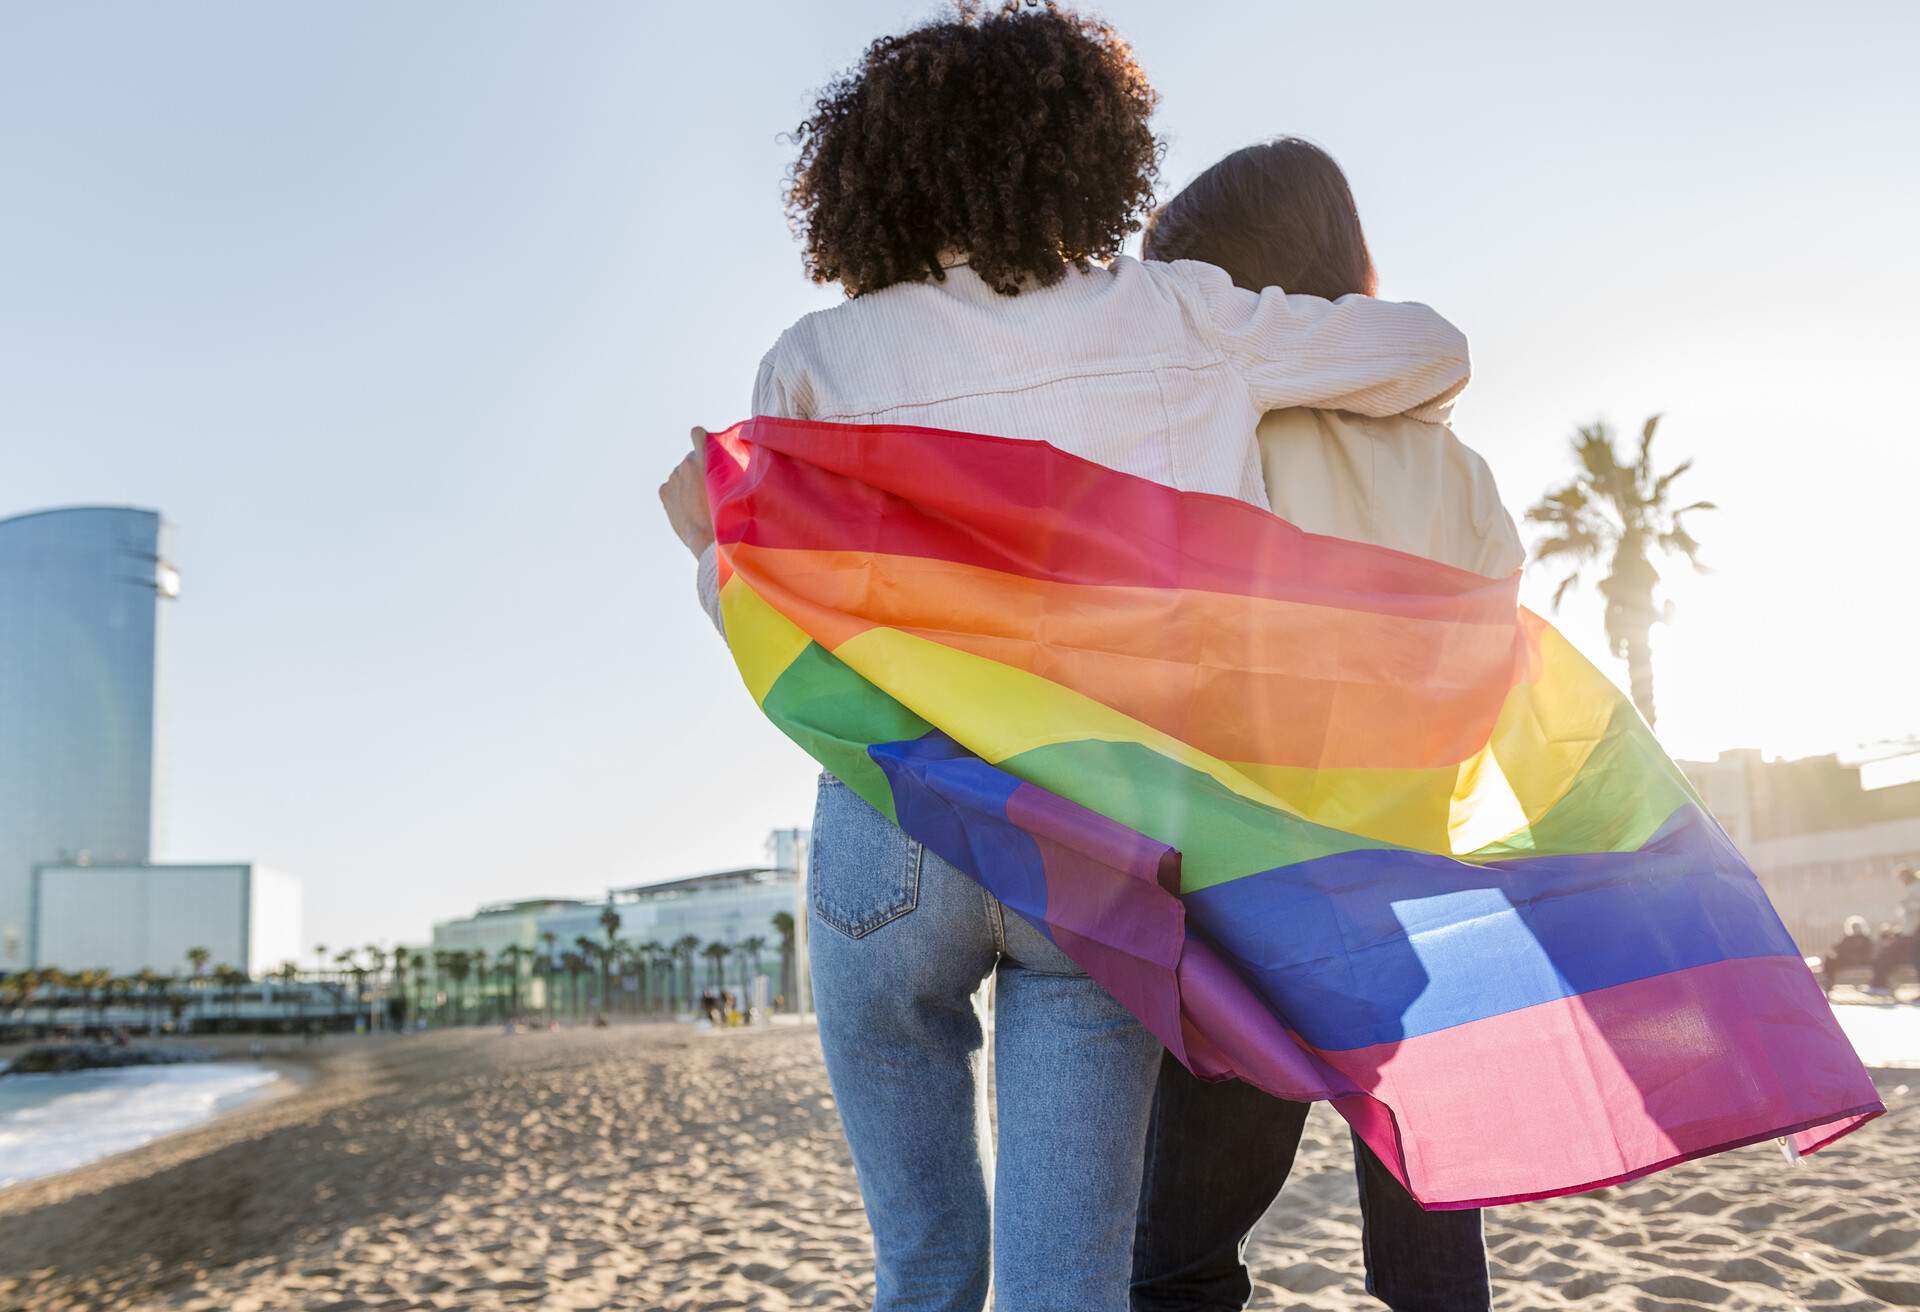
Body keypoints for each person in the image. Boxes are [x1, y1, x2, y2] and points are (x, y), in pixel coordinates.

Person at [659, 8, 1470, 1309]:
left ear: (869, 172)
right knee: (1069, 1283)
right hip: (1097, 837)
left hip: (891, 825)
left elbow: (764, 614)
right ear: (1096, 153)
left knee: (922, 1265)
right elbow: (1432, 350)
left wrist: (707, 545)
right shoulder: (1182, 314)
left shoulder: (814, 359)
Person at [1130, 137, 1506, 1312]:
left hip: (1257, 900)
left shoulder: (1222, 448)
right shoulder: (1460, 470)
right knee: (1431, 1233)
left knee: (1183, 1258)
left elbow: (1181, 669)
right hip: (1411, 894)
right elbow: (1483, 687)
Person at [1870, 866, 1920, 994]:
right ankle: (1880, 983)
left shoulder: (1915, 888)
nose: (1901, 881)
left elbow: (1915, 910)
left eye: (1901, 878)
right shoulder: (1913, 888)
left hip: (1913, 933)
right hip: (1910, 932)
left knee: (1890, 954)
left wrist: (1907, 904)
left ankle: (1879, 984)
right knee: (1892, 954)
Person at [1824, 915, 1876, 993]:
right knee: (1829, 959)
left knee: (1834, 961)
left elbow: (1867, 954)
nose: (1855, 929)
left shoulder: (1866, 939)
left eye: (1857, 927)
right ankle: (1829, 981)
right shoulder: (1847, 938)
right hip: (1844, 960)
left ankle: (1829, 982)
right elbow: (1836, 948)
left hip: (1857, 961)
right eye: (1853, 927)